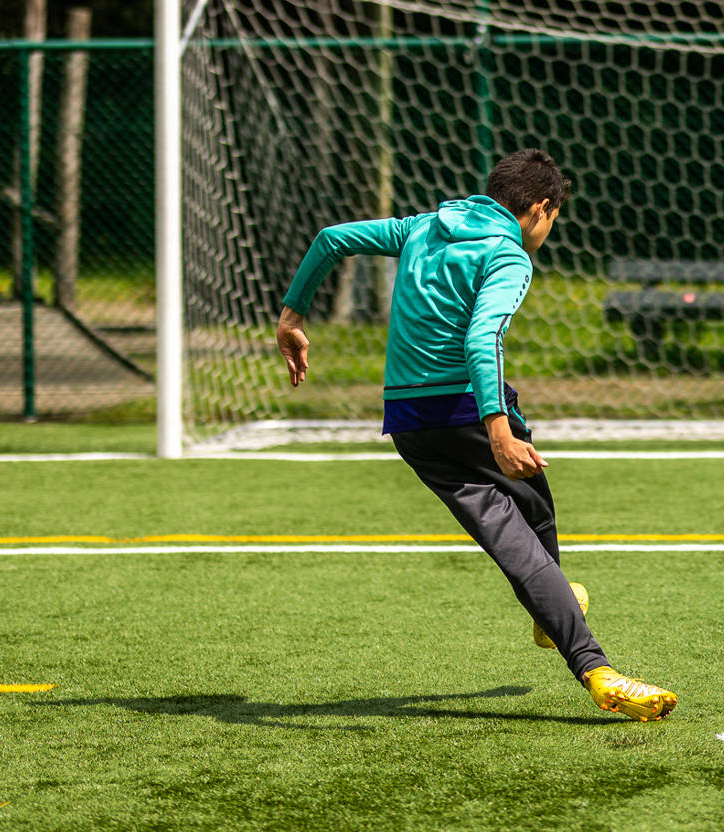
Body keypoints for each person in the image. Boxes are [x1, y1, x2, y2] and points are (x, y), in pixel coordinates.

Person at [274, 149, 676, 722]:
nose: (550, 228)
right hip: (467, 410)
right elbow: (483, 337)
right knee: (527, 528)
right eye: (554, 217)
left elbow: (332, 239)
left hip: (410, 422)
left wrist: (292, 316)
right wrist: (498, 431)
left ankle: (556, 619)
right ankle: (589, 658)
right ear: (540, 208)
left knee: (522, 517)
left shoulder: (421, 228)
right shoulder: (508, 255)